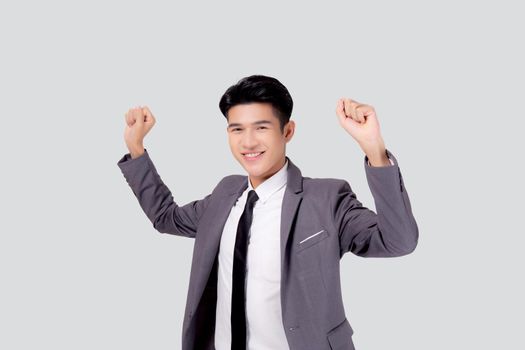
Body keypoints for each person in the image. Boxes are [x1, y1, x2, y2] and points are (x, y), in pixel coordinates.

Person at [117, 75, 419, 350]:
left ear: (287, 131)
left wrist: (374, 149)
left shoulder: (326, 198)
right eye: (237, 129)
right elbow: (166, 218)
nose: (248, 142)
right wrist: (136, 148)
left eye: (261, 128)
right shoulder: (225, 194)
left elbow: (398, 241)